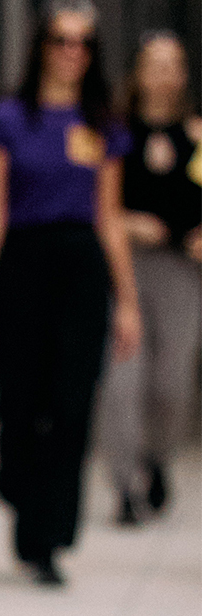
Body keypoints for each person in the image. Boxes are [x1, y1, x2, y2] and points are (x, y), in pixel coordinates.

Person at [0, 4, 141, 587]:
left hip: (81, 268)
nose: (72, 51)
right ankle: (15, 481)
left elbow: (109, 217)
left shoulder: (102, 125)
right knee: (20, 399)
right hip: (22, 262)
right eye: (62, 40)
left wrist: (128, 301)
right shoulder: (9, 119)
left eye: (84, 43)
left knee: (71, 402)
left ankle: (47, 537)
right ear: (41, 46)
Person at [97, 31, 200, 524]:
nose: (164, 75)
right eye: (154, 64)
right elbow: (96, 200)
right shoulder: (116, 134)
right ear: (138, 71)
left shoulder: (197, 136)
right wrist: (126, 221)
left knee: (171, 382)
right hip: (126, 264)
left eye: (173, 65)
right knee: (121, 380)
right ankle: (124, 488)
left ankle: (156, 459)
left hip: (181, 270)